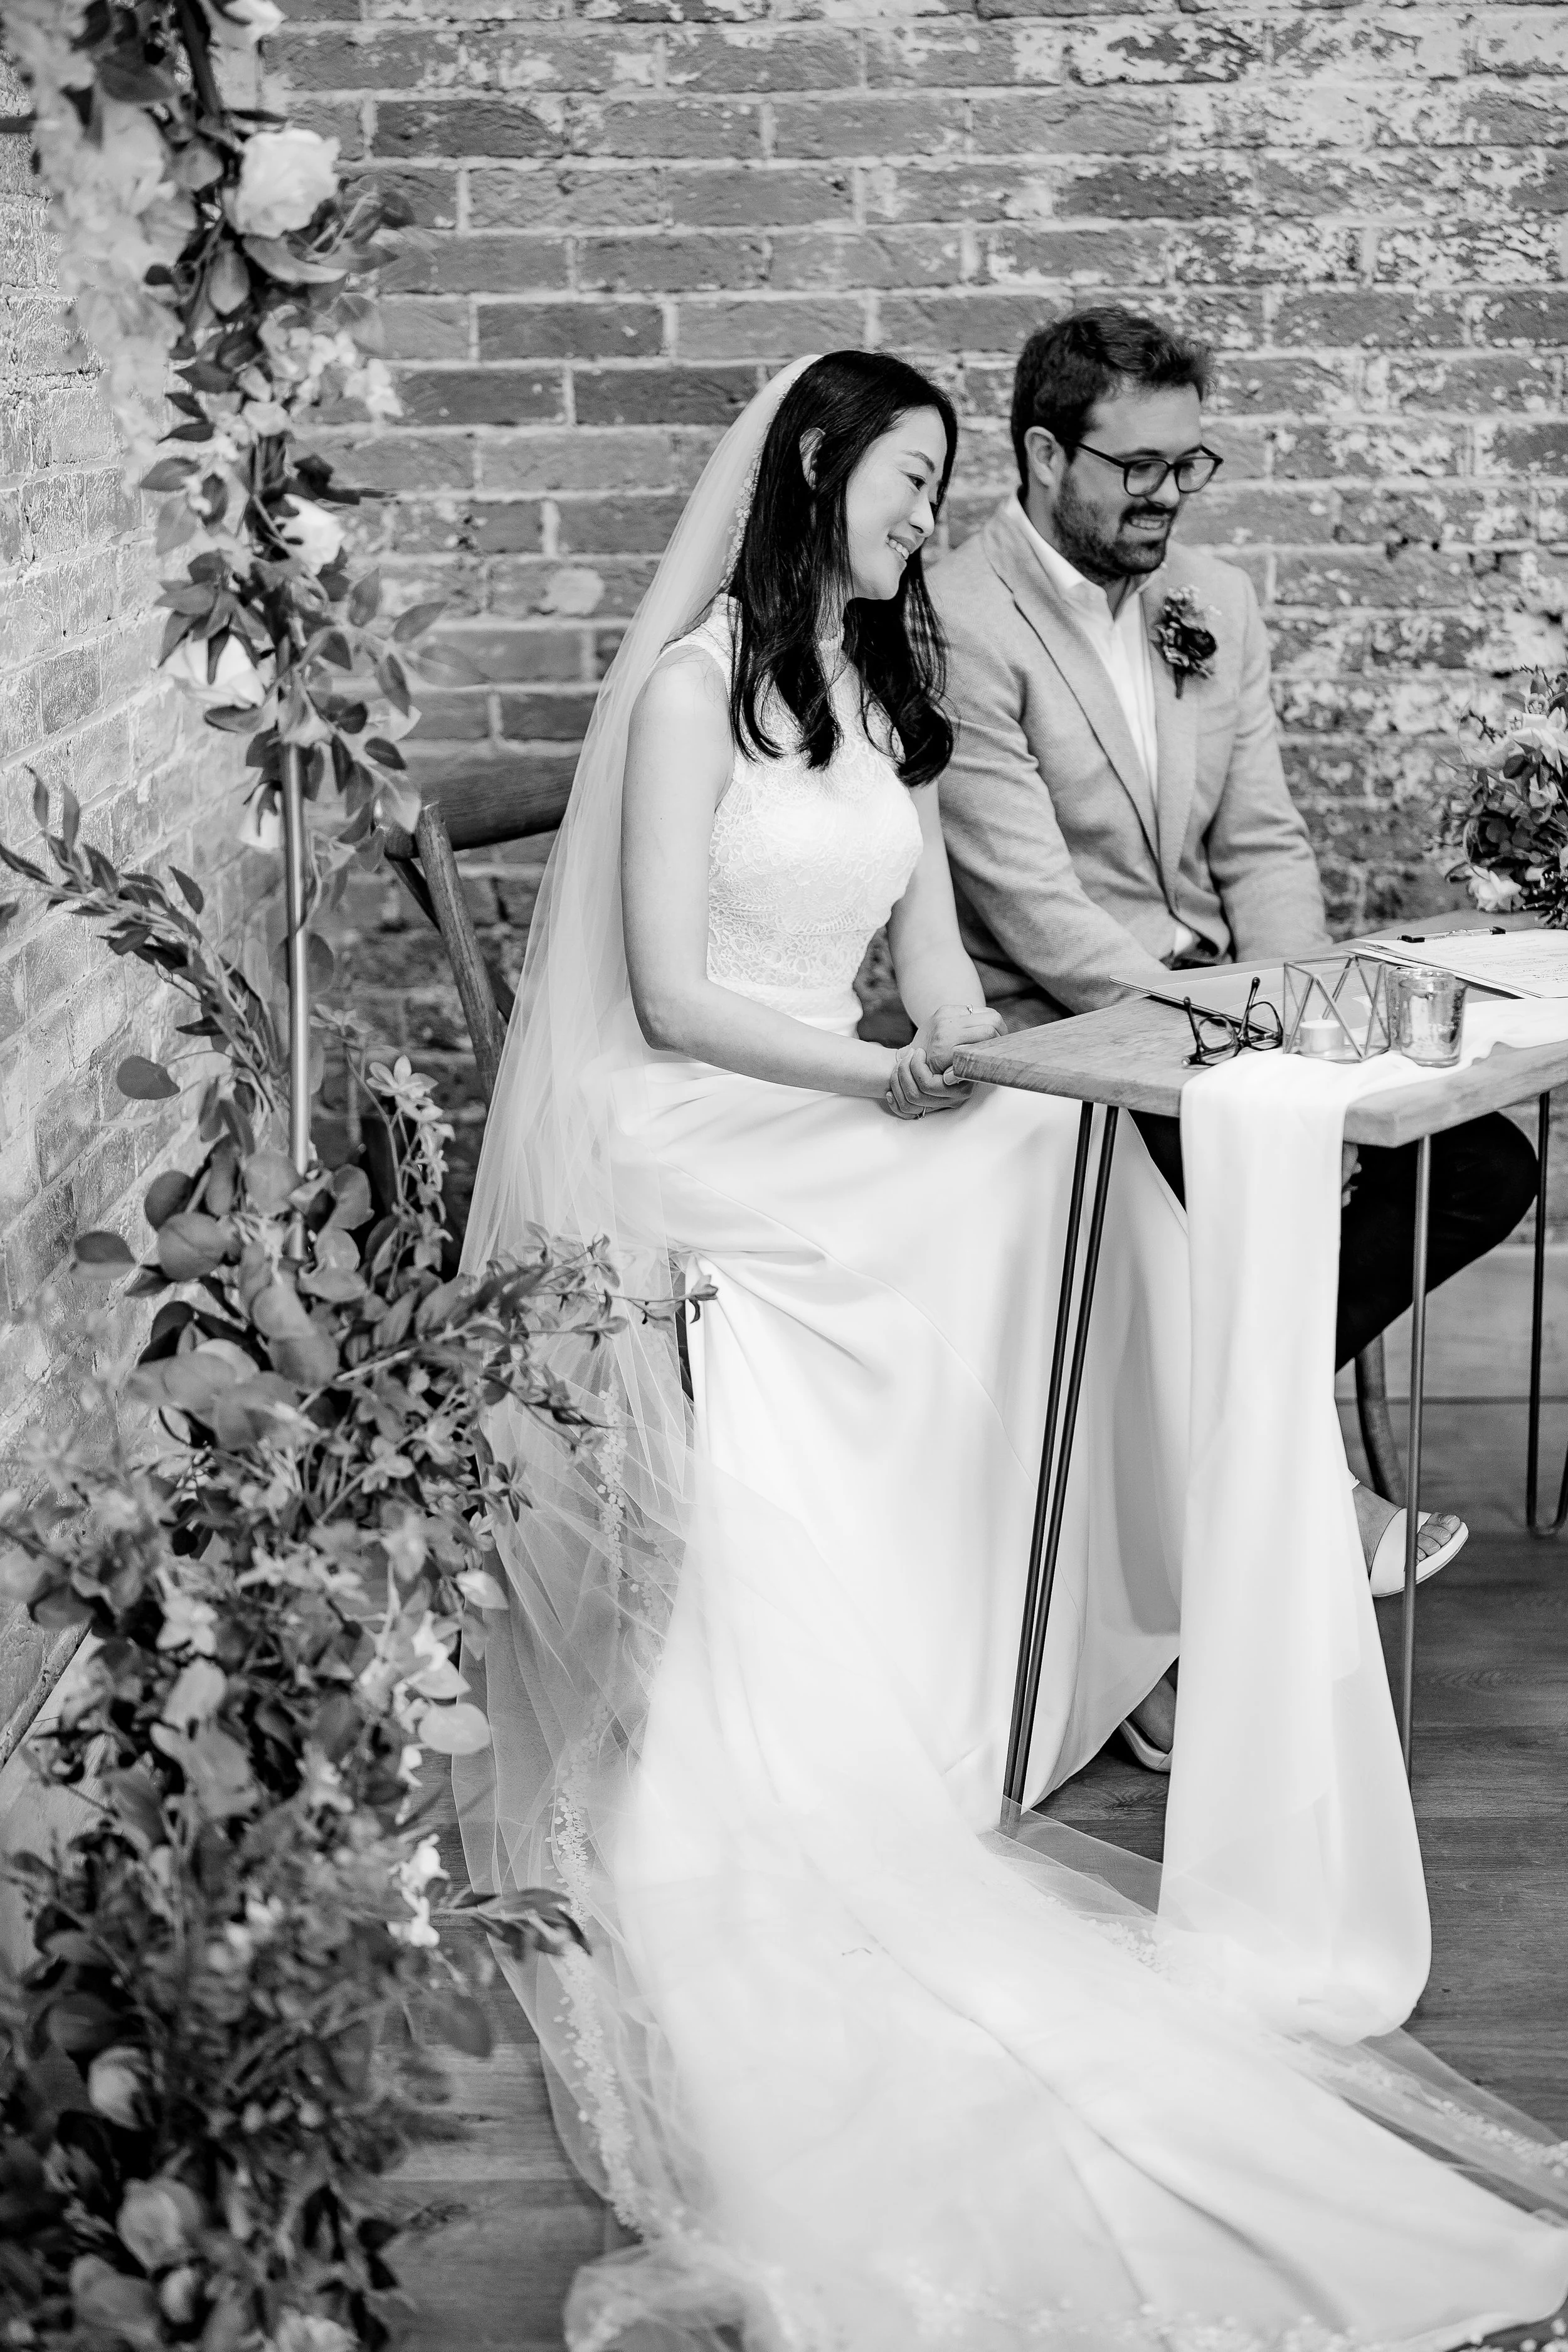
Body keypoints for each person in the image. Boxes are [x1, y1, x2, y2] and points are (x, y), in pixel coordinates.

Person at [456, 351, 1568, 2349]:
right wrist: (892, 1073)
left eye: (940, 481)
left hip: (863, 1076)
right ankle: (948, 1657)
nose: (920, 513)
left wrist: (978, 1054)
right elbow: (673, 997)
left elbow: (946, 952)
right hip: (712, 1114)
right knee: (987, 1183)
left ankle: (1095, 1626)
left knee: (1071, 1169)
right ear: (816, 472)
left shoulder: (879, 686)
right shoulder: (691, 687)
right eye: (906, 477)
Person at [931, 307, 1537, 1759]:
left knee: (1477, 1168)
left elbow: (1262, 848)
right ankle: (1252, 1536)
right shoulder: (956, 617)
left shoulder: (1213, 596)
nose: (1163, 497)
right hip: (1060, 1039)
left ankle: (1236, 1502)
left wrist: (1308, 1053)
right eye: (1133, 467)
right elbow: (1029, 914)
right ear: (1038, 450)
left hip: (1231, 1013)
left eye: (1184, 463)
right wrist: (1250, 1070)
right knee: (1226, 1181)